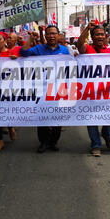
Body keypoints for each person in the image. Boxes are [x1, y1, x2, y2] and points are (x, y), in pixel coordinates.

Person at [20, 25, 70, 153]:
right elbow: (23, 52)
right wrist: (30, 39)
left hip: (59, 88)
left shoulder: (65, 50)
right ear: (45, 36)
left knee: (57, 117)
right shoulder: (39, 48)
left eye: (54, 33)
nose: (52, 36)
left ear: (58, 35)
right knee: (42, 116)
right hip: (42, 89)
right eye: (49, 34)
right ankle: (43, 142)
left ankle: (53, 142)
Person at [77, 23, 110, 157]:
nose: (100, 36)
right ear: (92, 37)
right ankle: (96, 145)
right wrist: (87, 28)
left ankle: (106, 133)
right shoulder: (87, 49)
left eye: (102, 34)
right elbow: (79, 43)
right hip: (91, 92)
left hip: (108, 92)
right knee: (91, 119)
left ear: (105, 36)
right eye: (97, 34)